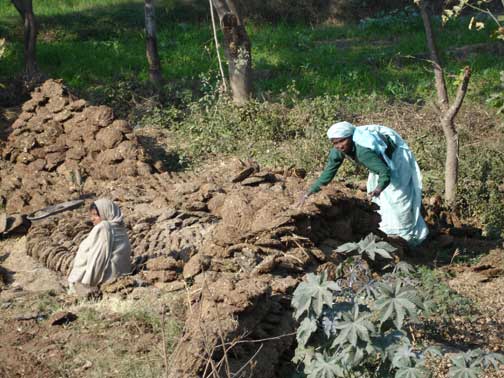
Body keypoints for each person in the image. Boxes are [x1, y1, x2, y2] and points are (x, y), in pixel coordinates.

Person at [299, 121, 428, 246]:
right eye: (335, 143)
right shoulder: (338, 151)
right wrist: (309, 193)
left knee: (399, 198)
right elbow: (327, 174)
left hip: (396, 157)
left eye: (342, 141)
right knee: (380, 200)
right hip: (378, 162)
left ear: (351, 138)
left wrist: (379, 188)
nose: (339, 146)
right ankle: (387, 229)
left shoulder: (363, 151)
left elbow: (385, 172)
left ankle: (408, 237)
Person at [68, 198, 132, 292]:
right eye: (91, 215)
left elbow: (97, 259)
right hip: (121, 277)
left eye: (96, 215)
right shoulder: (121, 228)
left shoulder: (103, 228)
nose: (92, 218)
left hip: (104, 280)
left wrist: (87, 285)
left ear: (105, 213)